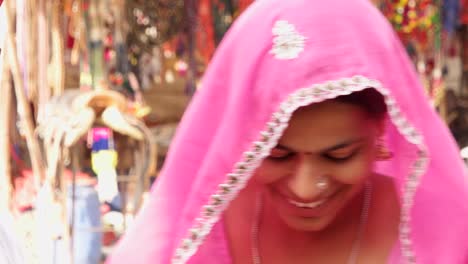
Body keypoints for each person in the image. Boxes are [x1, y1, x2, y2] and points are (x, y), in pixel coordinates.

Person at [107, 0, 468, 263]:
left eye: (339, 155)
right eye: (276, 153)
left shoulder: (447, 232)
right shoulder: (198, 229)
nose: (305, 188)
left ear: (380, 133)